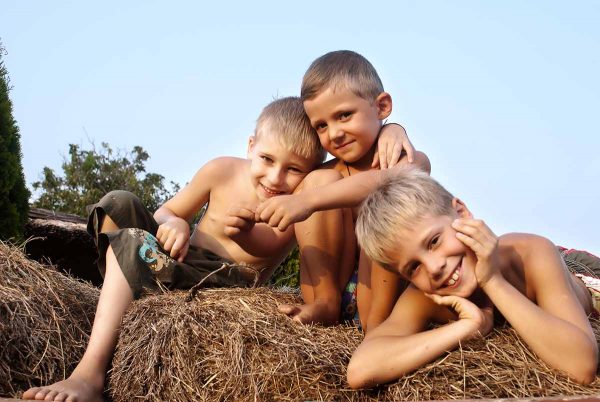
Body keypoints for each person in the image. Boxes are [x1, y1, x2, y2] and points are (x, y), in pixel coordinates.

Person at [22, 96, 339, 402]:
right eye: (267, 159)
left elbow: (268, 243)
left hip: (222, 281)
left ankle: (89, 374)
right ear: (251, 146)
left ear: (309, 172)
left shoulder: (296, 202)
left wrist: (244, 233)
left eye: (293, 169)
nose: (275, 177)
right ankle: (119, 290)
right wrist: (176, 224)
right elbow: (166, 212)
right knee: (118, 202)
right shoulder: (222, 170)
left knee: (132, 241)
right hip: (180, 258)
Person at [345, 169, 599, 387]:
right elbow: (360, 370)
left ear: (462, 213)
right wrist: (467, 327)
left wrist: (493, 280)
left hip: (581, 272)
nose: (434, 267)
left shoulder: (531, 253)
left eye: (434, 241)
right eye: (413, 267)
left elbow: (581, 366)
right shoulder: (425, 295)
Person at [266, 50, 431, 331]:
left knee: (387, 202)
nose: (334, 133)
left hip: (386, 301)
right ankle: (325, 303)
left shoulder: (408, 158)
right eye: (321, 126)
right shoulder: (323, 176)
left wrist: (394, 129)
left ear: (382, 107)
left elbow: (388, 181)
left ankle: (376, 334)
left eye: (344, 115)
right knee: (318, 180)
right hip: (329, 286)